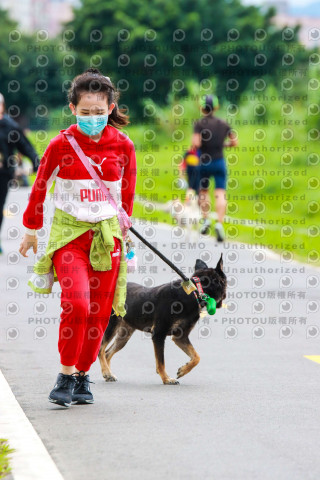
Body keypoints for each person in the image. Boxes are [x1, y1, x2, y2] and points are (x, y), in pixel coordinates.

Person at [19, 68, 137, 408]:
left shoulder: (123, 146)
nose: (93, 119)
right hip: (70, 236)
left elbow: (126, 196)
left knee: (99, 314)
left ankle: (82, 376)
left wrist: (124, 234)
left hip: (107, 238)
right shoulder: (61, 144)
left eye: (99, 112)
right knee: (77, 303)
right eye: (85, 113)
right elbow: (39, 188)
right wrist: (30, 230)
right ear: (73, 109)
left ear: (111, 107)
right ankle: (65, 373)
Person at [191, 94, 238, 241]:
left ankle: (205, 220)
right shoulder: (224, 124)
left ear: (202, 107)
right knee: (220, 193)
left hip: (204, 162)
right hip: (219, 162)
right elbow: (234, 141)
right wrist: (223, 144)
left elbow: (196, 144)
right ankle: (219, 223)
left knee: (204, 191)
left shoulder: (199, 124)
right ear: (216, 107)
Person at [0, 93, 39, 253]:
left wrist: (37, 164)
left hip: (3, 174)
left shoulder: (10, 126)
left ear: (2, 106)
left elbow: (25, 146)